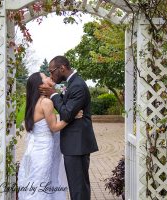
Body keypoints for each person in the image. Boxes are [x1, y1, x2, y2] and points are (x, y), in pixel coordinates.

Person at [39, 56, 99, 200]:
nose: (52, 75)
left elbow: (66, 113)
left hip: (77, 145)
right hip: (74, 144)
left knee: (78, 188)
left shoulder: (77, 85)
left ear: (62, 68)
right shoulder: (72, 83)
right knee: (76, 186)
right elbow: (67, 109)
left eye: (52, 71)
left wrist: (53, 94)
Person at [18, 72, 83, 200]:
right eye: (45, 77)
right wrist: (71, 117)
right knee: (42, 183)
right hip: (43, 151)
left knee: (36, 182)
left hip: (35, 149)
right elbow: (54, 127)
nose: (49, 77)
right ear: (40, 85)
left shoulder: (34, 102)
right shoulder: (46, 102)